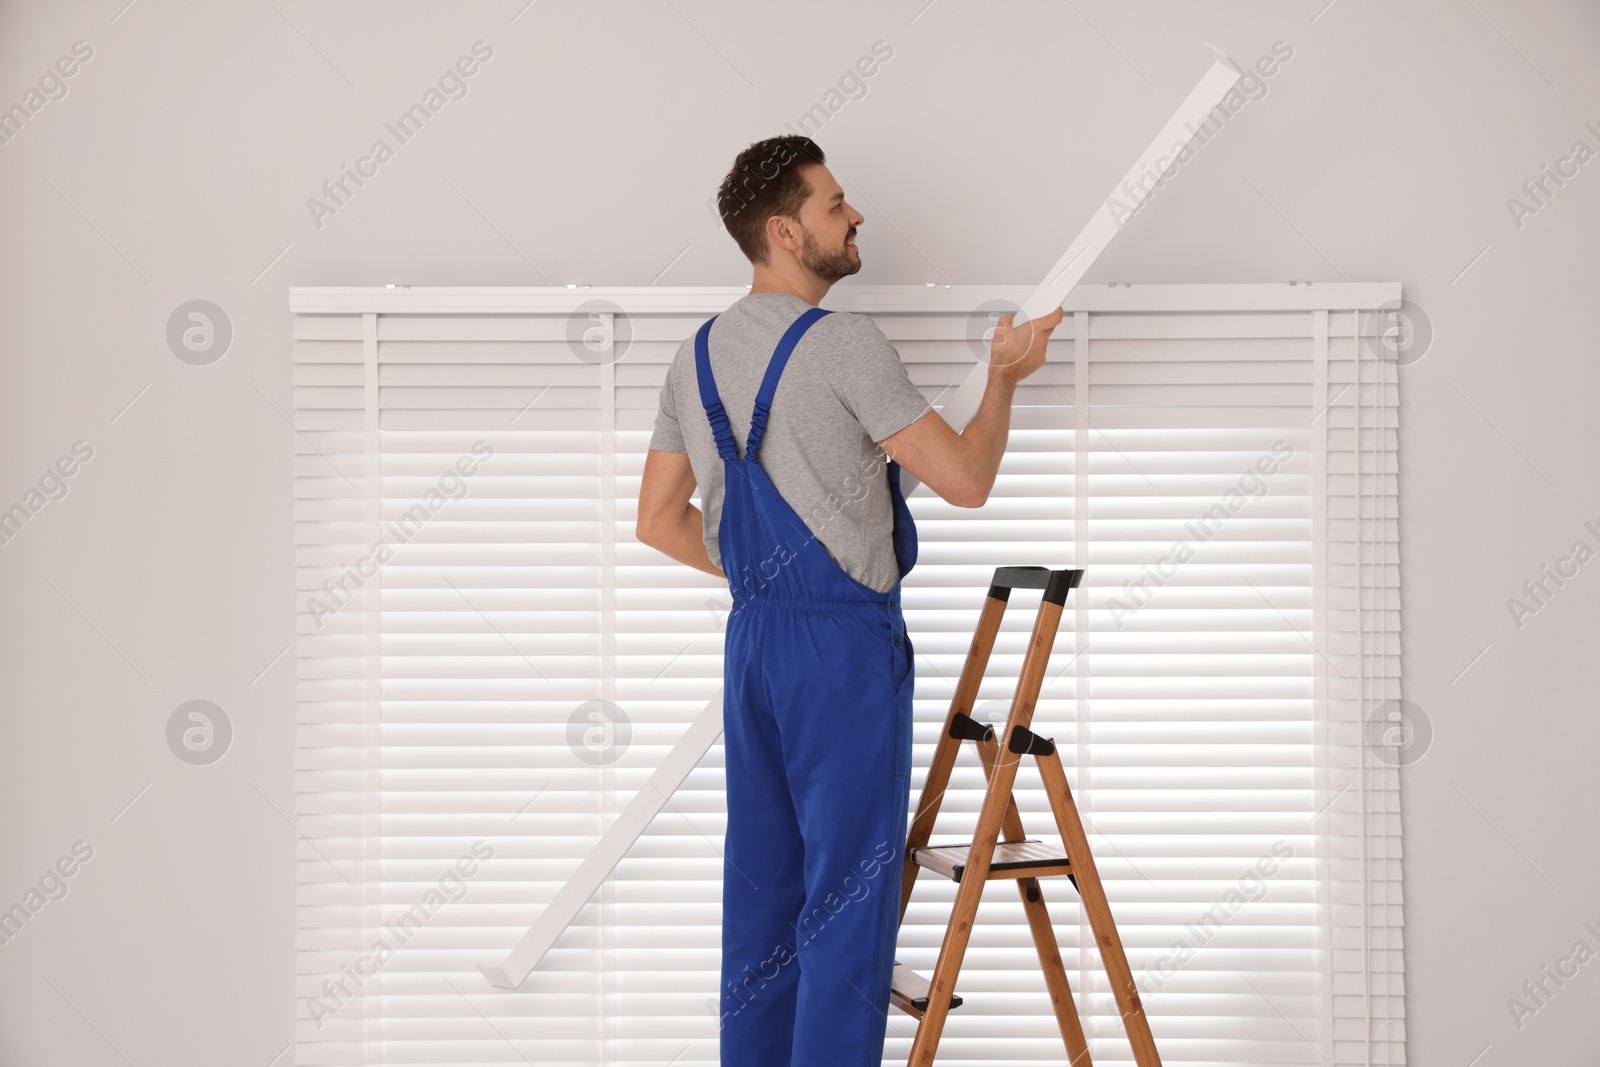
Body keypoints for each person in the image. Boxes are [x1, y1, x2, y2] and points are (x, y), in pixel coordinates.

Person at [636, 134, 1061, 1066]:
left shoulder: (695, 357)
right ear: (787, 232)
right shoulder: (843, 345)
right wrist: (1003, 379)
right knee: (844, 897)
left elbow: (660, 522)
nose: (856, 213)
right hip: (840, 652)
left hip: (754, 646)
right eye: (835, 205)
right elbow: (966, 479)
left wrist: (764, 580)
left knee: (763, 892)